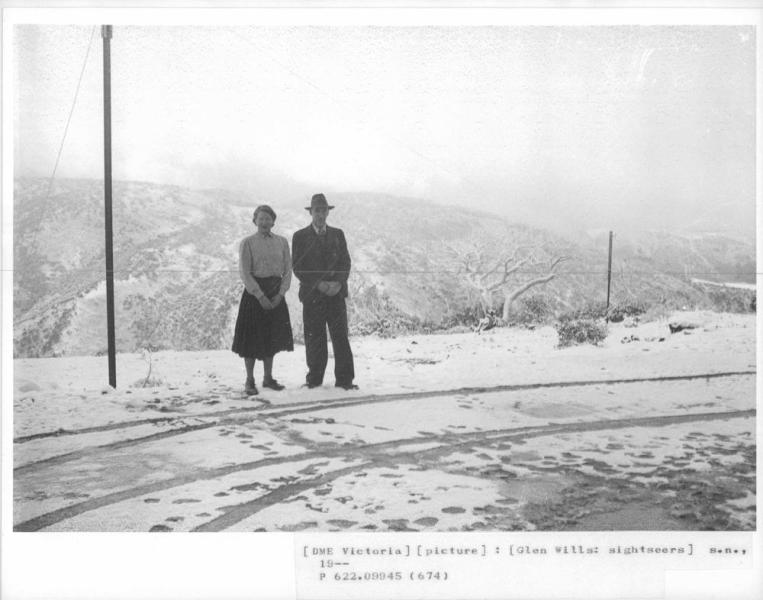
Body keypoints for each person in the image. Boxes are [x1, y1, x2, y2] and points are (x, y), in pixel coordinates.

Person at [292, 193, 357, 390]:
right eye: (317, 210)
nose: (320, 214)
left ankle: (345, 381)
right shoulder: (300, 236)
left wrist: (337, 283)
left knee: (340, 337)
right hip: (313, 295)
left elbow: (345, 261)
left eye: (324, 210)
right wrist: (319, 284)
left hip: (335, 295)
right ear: (310, 212)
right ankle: (314, 379)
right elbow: (298, 266)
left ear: (328, 212)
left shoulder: (338, 234)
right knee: (314, 337)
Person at [231, 204, 294, 395]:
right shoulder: (247, 243)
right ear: (255, 221)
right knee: (250, 340)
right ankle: (250, 380)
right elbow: (245, 272)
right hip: (254, 294)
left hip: (275, 291)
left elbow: (287, 270)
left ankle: (268, 378)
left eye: (268, 218)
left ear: (273, 221)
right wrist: (259, 295)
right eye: (261, 218)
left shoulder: (282, 242)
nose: (265, 222)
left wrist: (280, 294)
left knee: (271, 337)